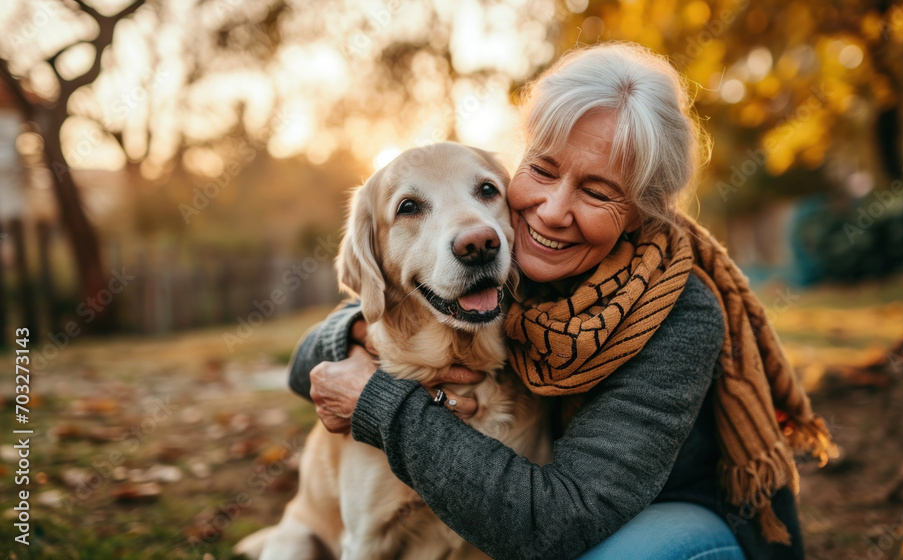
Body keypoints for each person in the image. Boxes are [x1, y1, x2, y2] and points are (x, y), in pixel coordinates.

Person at [287, 42, 832, 560]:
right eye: (543, 170)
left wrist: (380, 404)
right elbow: (318, 357)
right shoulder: (510, 264)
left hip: (673, 522)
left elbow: (558, 522)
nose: (551, 211)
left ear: (641, 213)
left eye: (597, 192)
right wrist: (353, 337)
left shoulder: (681, 316)